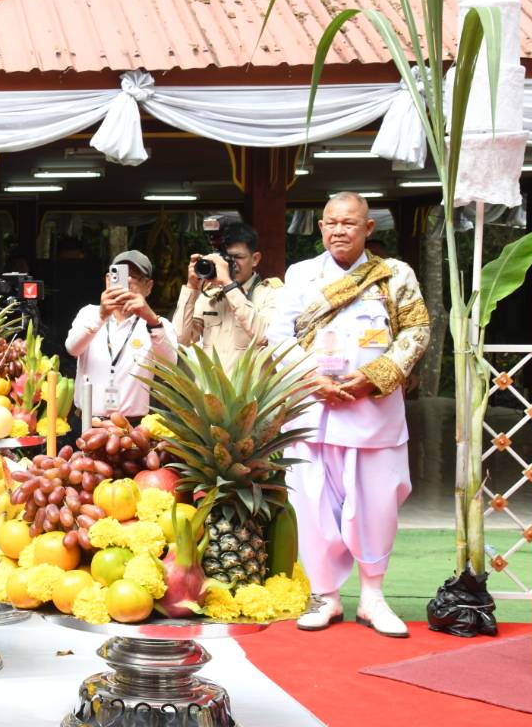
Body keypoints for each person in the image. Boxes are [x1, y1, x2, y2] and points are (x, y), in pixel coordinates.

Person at [267, 192, 429, 639]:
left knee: (377, 506)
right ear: (320, 227)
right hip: (312, 410)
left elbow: (416, 331)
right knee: (313, 505)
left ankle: (373, 596)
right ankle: (326, 596)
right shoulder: (301, 275)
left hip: (372, 411)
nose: (339, 231)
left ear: (368, 229)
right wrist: (310, 379)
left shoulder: (395, 276)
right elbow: (278, 336)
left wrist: (373, 376)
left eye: (349, 224)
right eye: (331, 223)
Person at [65, 251, 178, 419]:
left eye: (136, 276)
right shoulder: (89, 313)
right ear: (108, 280)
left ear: (149, 286)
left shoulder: (158, 325)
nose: (129, 281)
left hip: (131, 427)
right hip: (87, 422)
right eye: (120, 274)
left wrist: (151, 320)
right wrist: (101, 316)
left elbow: (169, 367)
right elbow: (72, 349)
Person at [172, 221, 281, 367]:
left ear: (255, 259)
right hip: (208, 389)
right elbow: (180, 340)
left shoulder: (271, 294)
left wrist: (229, 285)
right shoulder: (209, 296)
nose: (230, 264)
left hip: (249, 390)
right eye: (226, 258)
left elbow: (265, 336)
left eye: (238, 257)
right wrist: (191, 287)